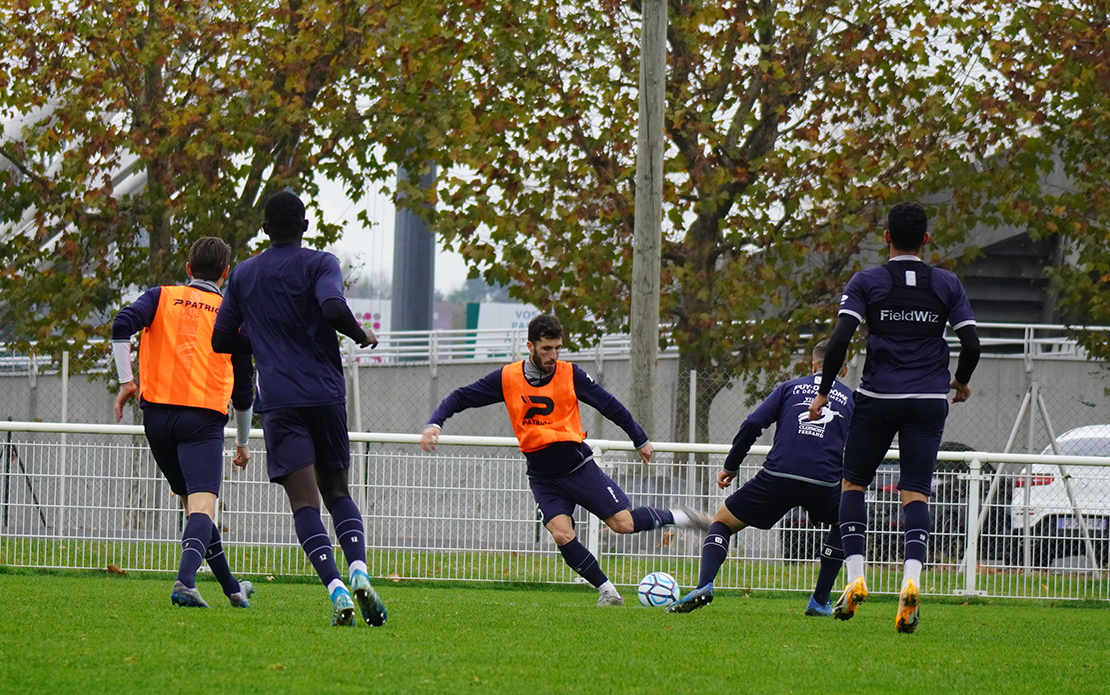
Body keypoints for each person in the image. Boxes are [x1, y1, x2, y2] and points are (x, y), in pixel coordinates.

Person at [420, 313, 711, 606]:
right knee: (561, 534)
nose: (553, 355)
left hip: (578, 468)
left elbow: (608, 404)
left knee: (623, 524)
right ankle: (608, 592)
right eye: (547, 348)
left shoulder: (570, 374)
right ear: (530, 346)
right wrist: (435, 423)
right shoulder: (507, 378)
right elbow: (461, 397)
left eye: (558, 348)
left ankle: (683, 517)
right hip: (543, 477)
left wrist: (639, 438)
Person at [211, 192, 386, 628]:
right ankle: (360, 570)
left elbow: (220, 339)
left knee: (304, 503)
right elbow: (330, 306)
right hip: (326, 395)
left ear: (265, 229)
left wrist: (265, 342)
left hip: (282, 403)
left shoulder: (245, 274)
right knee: (339, 493)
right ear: (305, 226)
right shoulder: (321, 262)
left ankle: (336, 588)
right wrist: (359, 333)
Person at [807, 201, 981, 633]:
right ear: (926, 238)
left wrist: (824, 392)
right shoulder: (947, 283)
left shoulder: (867, 281)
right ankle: (910, 582)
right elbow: (973, 343)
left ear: (886, 236)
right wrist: (959, 381)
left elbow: (840, 339)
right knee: (915, 493)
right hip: (927, 399)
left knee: (853, 484)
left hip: (879, 396)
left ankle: (855, 580)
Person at [112, 236, 255, 610]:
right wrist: (242, 442)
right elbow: (244, 390)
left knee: (195, 509)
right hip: (202, 418)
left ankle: (233, 588)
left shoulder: (160, 296)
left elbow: (121, 324)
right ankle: (185, 582)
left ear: (189, 270)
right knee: (204, 507)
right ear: (225, 274)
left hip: (156, 417)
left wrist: (127, 381)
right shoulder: (231, 313)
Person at [666, 340, 853, 615]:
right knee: (843, 522)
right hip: (825, 481)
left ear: (812, 365)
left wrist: (731, 466)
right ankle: (819, 601)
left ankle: (704, 586)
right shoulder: (851, 399)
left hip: (778, 475)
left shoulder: (789, 388)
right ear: (845, 370)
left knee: (722, 522)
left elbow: (753, 424)